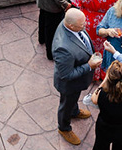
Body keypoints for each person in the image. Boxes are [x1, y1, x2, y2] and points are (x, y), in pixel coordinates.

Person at [52, 8, 102, 145]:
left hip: (78, 81)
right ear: (71, 26)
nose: (85, 26)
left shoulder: (69, 22)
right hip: (69, 85)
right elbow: (66, 74)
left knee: (73, 99)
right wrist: (89, 66)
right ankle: (64, 128)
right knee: (65, 105)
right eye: (82, 25)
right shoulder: (63, 48)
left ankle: (74, 111)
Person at [69, 0, 121, 79]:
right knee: (103, 48)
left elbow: (74, 0)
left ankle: (89, 71)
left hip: (85, 20)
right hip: (104, 22)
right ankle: (101, 72)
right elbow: (119, 6)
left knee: (87, 46)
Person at [91, 61, 122, 150]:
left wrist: (105, 79)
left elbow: (93, 99)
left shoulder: (102, 94)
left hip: (104, 127)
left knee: (101, 146)